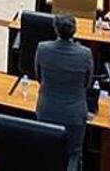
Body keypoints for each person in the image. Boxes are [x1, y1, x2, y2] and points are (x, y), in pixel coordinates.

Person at [35, 14, 93, 171]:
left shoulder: (42, 48)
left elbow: (39, 77)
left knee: (46, 153)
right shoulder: (85, 54)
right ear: (75, 30)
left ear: (55, 29)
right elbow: (87, 84)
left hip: (46, 111)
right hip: (74, 115)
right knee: (73, 155)